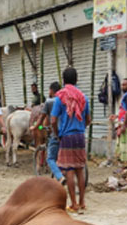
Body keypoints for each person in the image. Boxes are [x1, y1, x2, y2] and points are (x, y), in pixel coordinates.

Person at [51, 67, 91, 213]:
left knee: (69, 170)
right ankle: (82, 203)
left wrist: (57, 134)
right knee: (80, 169)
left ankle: (73, 203)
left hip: (66, 137)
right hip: (80, 136)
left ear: (63, 80)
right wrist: (80, 127)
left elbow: (53, 119)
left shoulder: (60, 97)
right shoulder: (83, 97)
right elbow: (88, 119)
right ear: (77, 79)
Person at [32, 81, 66, 185]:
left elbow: (42, 119)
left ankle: (60, 177)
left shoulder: (49, 101)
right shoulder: (66, 100)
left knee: (50, 158)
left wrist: (35, 127)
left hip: (56, 133)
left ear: (51, 91)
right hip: (68, 132)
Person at [115, 78, 127, 163]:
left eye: (124, 85)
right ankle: (123, 161)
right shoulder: (125, 96)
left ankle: (126, 162)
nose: (123, 86)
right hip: (123, 122)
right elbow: (123, 111)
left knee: (125, 144)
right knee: (122, 143)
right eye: (122, 85)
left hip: (126, 124)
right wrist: (116, 116)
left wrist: (124, 125)